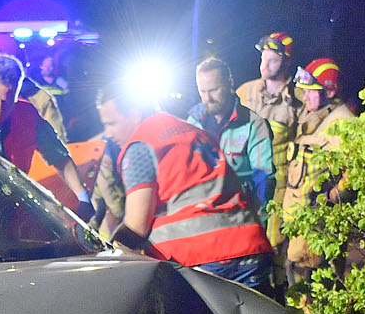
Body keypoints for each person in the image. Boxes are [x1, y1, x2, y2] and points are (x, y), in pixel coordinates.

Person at [97, 88, 276, 293]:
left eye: (112, 123)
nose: (108, 134)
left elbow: (137, 225)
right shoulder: (194, 131)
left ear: (134, 114)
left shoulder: (140, 146)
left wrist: (110, 251)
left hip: (201, 260)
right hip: (251, 247)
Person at [0, 53, 91, 216]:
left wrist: (83, 197)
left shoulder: (28, 116)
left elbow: (59, 157)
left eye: (8, 101)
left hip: (13, 210)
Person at [279, 67, 357, 287]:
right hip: (299, 222)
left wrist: (335, 194)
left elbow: (358, 169)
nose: (305, 96)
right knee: (299, 280)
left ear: (329, 92)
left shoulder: (343, 122)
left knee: (317, 287)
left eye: (311, 91)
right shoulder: (313, 115)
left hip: (317, 226)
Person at [236, 31, 305, 263]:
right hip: (244, 181)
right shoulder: (246, 92)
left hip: (279, 187)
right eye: (263, 58)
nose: (264, 65)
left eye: (272, 60)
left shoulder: (299, 99)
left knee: (274, 247)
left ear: (286, 62)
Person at [186, 57, 274, 212]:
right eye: (202, 91)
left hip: (239, 216)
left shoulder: (253, 124)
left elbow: (264, 178)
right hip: (201, 216)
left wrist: (256, 219)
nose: (208, 98)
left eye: (214, 90)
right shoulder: (193, 123)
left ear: (229, 83)